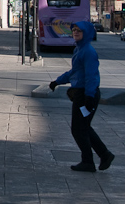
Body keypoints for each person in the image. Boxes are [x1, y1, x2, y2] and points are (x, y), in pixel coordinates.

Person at [49, 20, 116, 172]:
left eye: (79, 31)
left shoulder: (88, 51)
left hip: (85, 94)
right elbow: (75, 72)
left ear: (87, 33)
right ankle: (104, 155)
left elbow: (91, 76)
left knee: (78, 129)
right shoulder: (79, 50)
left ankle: (89, 161)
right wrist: (57, 81)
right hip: (82, 93)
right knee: (83, 128)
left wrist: (89, 96)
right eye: (74, 30)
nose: (76, 33)